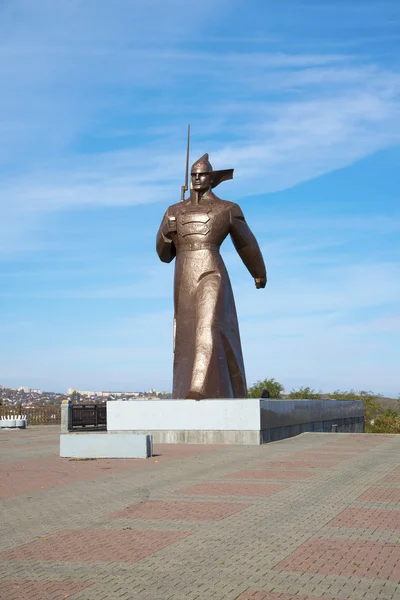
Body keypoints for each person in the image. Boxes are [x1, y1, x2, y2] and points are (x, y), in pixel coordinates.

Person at [156, 154, 266, 400]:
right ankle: (186, 388)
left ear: (212, 178)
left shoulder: (227, 209)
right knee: (186, 333)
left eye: (202, 174)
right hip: (183, 274)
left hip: (211, 271)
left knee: (209, 325)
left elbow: (246, 243)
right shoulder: (174, 211)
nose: (196, 179)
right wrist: (166, 233)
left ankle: (199, 387)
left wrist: (258, 272)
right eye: (193, 175)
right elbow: (164, 255)